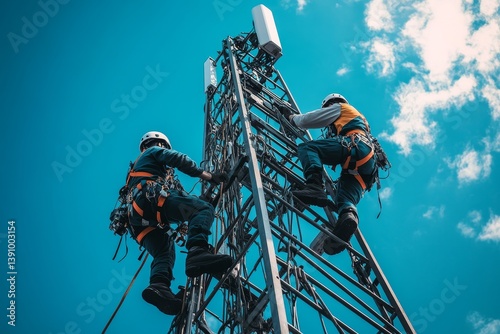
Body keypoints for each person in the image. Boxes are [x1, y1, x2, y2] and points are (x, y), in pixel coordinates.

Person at [124, 131, 233, 315]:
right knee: (202, 209)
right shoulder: (152, 151)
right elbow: (177, 158)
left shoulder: (141, 169)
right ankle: (197, 252)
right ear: (159, 144)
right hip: (151, 200)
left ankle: (159, 286)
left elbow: (180, 199)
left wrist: (196, 200)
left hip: (138, 221)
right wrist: (208, 176)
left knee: (164, 250)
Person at [277, 93, 377, 254]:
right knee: (344, 198)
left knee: (308, 148)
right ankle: (347, 218)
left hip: (355, 146)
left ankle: (314, 186)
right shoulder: (359, 120)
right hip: (368, 164)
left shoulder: (339, 108)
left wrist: (291, 116)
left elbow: (304, 121)